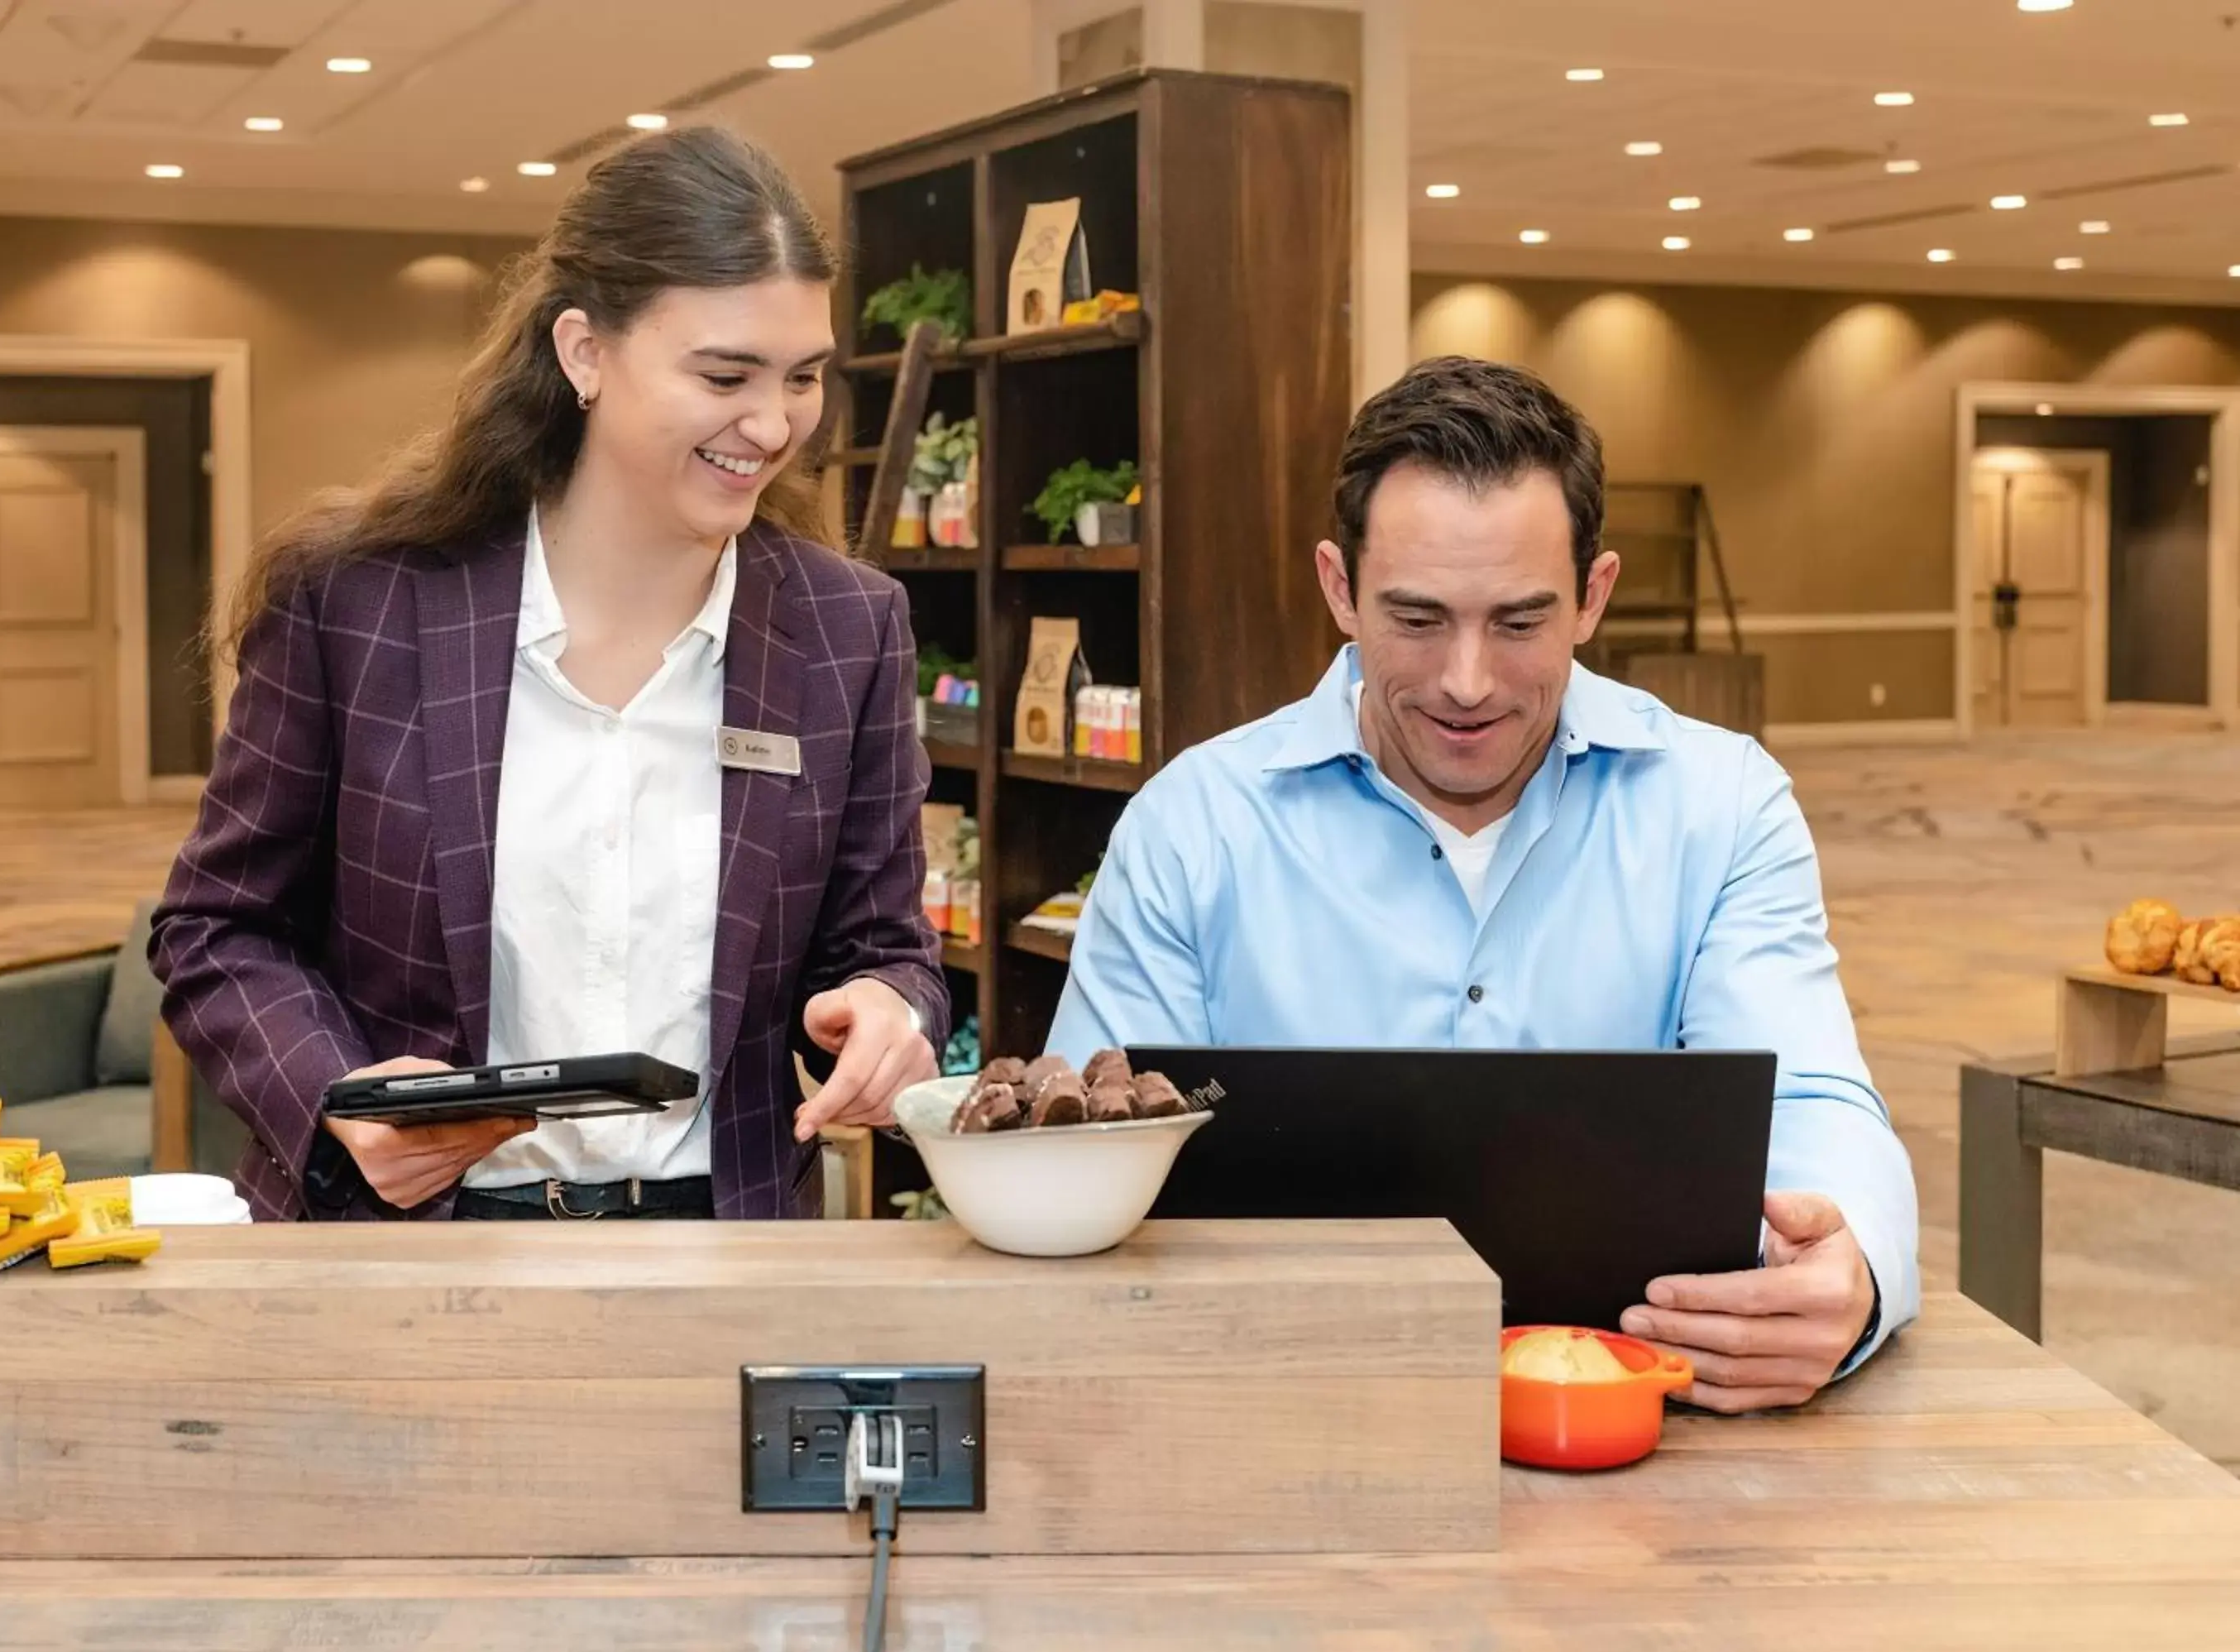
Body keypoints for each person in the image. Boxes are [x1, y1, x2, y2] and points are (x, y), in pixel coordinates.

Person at [1050, 356, 1918, 1411]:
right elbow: (1086, 1157)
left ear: (1593, 596)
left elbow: (1814, 1096)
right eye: (1417, 620)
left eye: (1518, 622)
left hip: (1638, 1423)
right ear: (1339, 588)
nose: (1468, 682)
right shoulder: (1191, 828)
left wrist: (1852, 1273)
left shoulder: (1723, 806)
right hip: (1266, 1406)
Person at [153, 126, 945, 1223]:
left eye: (802, 377)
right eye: (724, 374)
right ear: (584, 353)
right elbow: (216, 928)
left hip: (724, 1246)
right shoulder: (359, 602)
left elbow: (886, 943)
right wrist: (334, 1097)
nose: (774, 427)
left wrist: (885, 1009)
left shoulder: (852, 629)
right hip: (412, 1253)